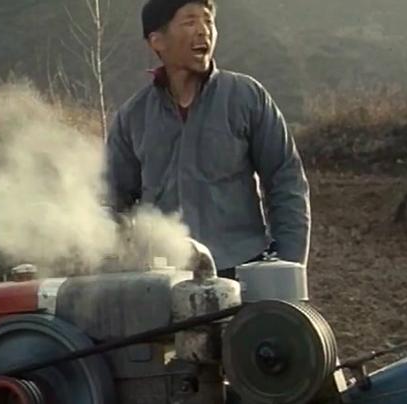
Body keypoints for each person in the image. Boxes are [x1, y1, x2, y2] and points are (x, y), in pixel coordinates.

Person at [105, 0, 310, 276]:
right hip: (165, 276)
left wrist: (287, 265)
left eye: (208, 21)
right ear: (157, 41)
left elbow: (285, 180)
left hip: (242, 270)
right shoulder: (133, 116)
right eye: (190, 22)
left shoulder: (246, 97)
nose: (204, 31)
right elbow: (113, 199)